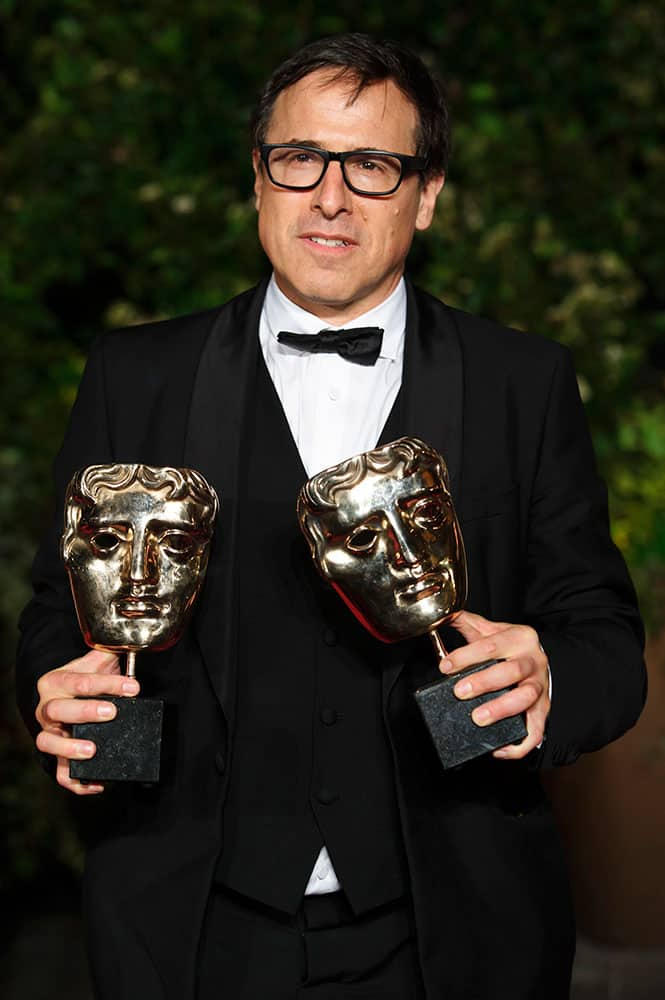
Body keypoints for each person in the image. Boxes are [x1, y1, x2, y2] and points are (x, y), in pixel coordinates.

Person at [16, 32, 646, 1000]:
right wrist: (55, 696)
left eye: (373, 165)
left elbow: (602, 638)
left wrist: (549, 676)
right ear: (258, 179)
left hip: (453, 929)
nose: (330, 194)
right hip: (186, 925)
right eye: (299, 157)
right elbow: (55, 616)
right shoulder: (134, 373)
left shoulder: (522, 382)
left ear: (426, 194)